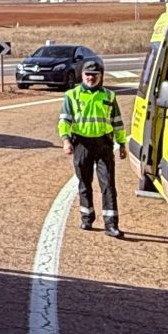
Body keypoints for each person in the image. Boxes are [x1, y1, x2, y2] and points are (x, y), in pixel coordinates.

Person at [59, 58, 126, 237]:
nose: (91, 78)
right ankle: (87, 218)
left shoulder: (109, 96)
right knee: (84, 183)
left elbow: (117, 122)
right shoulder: (72, 95)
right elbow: (64, 120)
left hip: (104, 144)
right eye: (88, 74)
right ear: (82, 75)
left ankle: (111, 225)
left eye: (95, 75)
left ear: (100, 76)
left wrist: (122, 144)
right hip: (81, 144)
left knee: (108, 185)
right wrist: (66, 140)